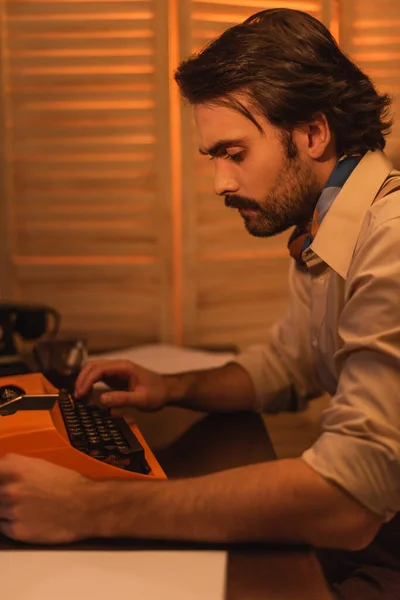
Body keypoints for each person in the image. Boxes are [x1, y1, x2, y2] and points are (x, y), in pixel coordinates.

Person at [1, 7, 400, 597]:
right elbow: (286, 367)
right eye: (213, 158)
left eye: (234, 154)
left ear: (313, 133)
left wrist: (91, 508)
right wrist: (172, 389)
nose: (220, 184)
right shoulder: (326, 228)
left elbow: (349, 500)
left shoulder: (389, 240)